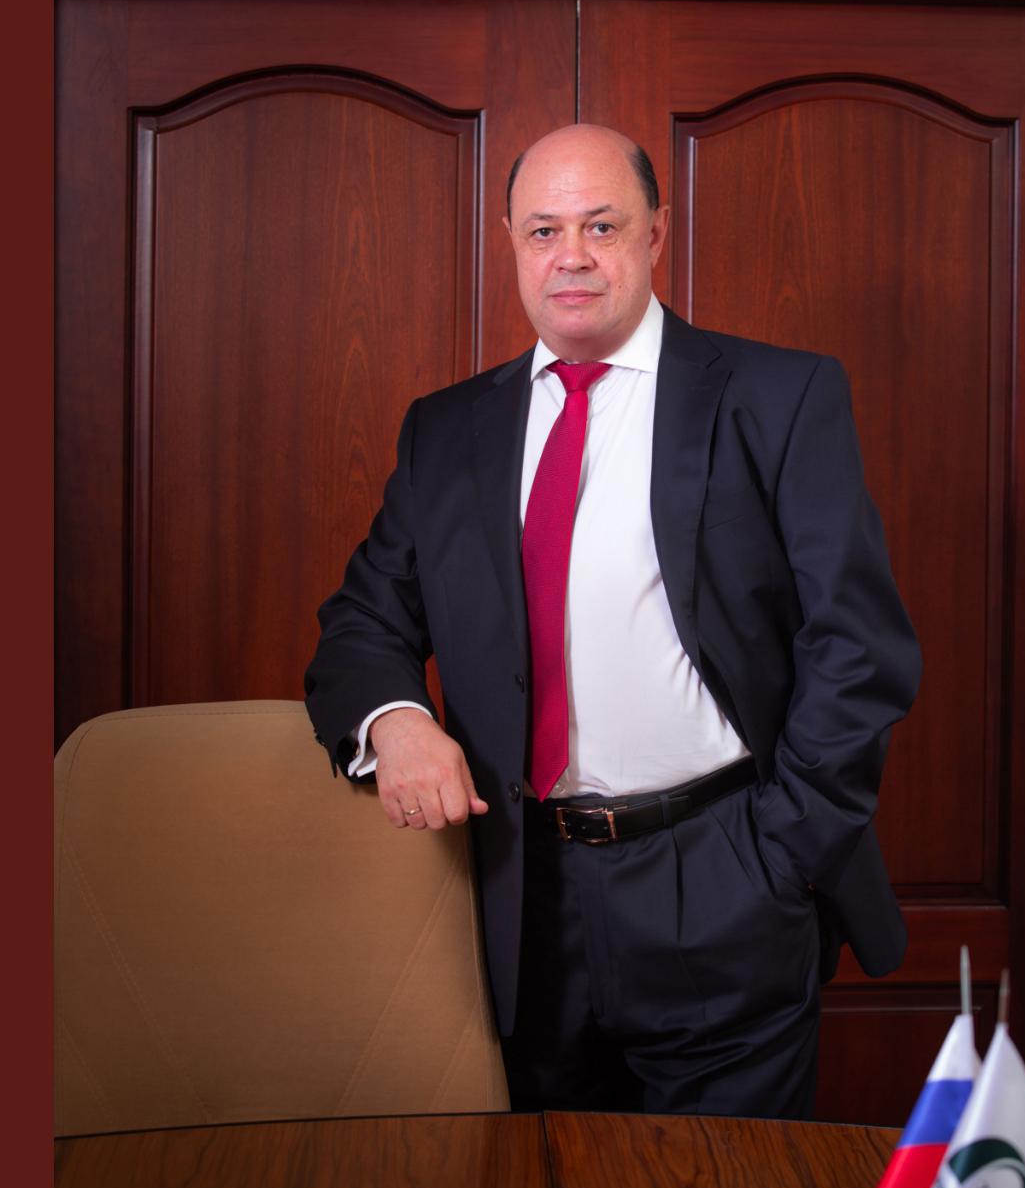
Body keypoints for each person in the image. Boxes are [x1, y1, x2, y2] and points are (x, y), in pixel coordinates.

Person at [305, 123, 921, 1119]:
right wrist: (397, 720)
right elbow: (360, 624)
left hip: (724, 874)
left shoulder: (777, 396)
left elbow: (860, 648)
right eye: (544, 231)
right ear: (511, 242)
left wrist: (782, 853)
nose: (573, 256)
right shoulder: (446, 431)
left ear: (656, 233)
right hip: (517, 896)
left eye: (602, 225)